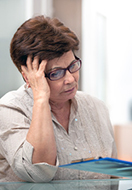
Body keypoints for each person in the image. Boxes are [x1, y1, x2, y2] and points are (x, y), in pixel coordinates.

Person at [0, 15, 117, 182]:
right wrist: (41, 98)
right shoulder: (10, 109)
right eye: (56, 73)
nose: (70, 79)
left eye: (72, 66)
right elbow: (38, 172)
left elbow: (112, 178)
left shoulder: (96, 107)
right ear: (29, 78)